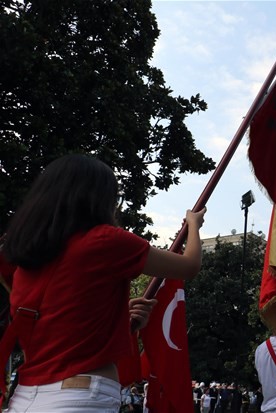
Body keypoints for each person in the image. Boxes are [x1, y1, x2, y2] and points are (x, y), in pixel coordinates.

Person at [2, 154, 206, 412]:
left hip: (24, 396)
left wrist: (119, 315)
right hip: (80, 396)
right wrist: (193, 225)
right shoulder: (104, 241)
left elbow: (58, 327)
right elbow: (189, 266)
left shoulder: (24, 260)